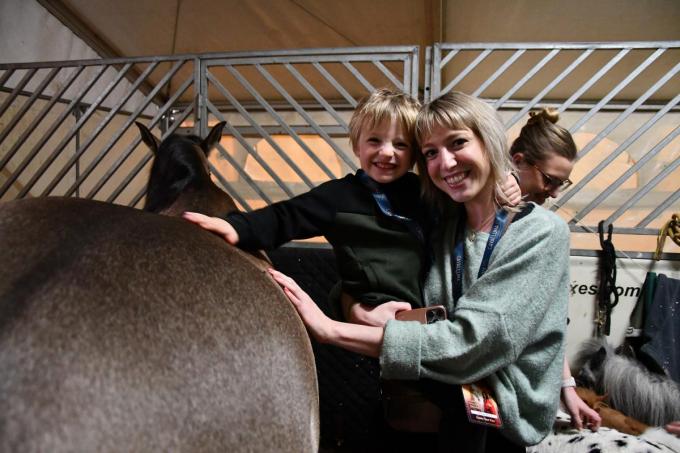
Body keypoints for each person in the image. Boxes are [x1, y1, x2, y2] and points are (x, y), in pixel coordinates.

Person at [269, 91, 571, 451]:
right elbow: (380, 281)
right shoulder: (443, 225)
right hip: (421, 411)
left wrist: (332, 330)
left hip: (494, 431)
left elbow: (470, 346)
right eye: (430, 153)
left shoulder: (540, 233)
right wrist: (356, 306)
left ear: (489, 141)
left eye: (457, 143)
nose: (445, 163)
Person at [184, 88, 520, 314]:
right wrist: (233, 226)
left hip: (427, 313)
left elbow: (470, 199)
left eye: (401, 145)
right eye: (375, 141)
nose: (387, 153)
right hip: (373, 309)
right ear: (357, 146)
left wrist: (507, 180)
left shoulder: (426, 192)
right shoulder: (337, 197)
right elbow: (284, 217)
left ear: (415, 154)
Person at [509, 108, 601, 431]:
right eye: (550, 180)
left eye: (563, 183)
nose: (555, 192)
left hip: (518, 391)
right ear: (517, 160)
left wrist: (567, 387)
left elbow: (551, 316)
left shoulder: (548, 229)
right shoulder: (474, 214)